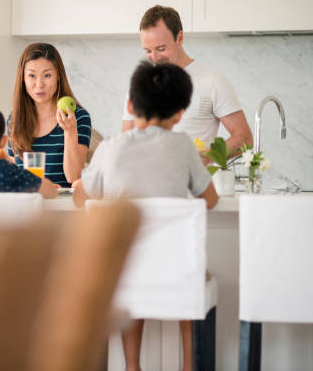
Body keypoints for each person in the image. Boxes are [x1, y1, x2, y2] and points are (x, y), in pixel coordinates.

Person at [73, 61, 218, 371]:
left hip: (124, 271)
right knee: (188, 271)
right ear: (180, 112)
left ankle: (132, 366)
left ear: (130, 103)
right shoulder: (183, 147)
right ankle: (189, 365)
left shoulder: (110, 148)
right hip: (177, 271)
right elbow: (210, 199)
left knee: (132, 272)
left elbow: (81, 198)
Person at [122, 5, 253, 163]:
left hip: (194, 185)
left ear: (180, 37)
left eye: (161, 48)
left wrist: (199, 160)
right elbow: (126, 142)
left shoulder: (212, 81)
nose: (155, 58)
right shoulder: (140, 84)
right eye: (148, 51)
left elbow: (244, 138)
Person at [6, 43, 91, 188]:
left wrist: (70, 132)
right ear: (23, 79)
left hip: (63, 207)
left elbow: (73, 177)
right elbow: (13, 171)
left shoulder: (78, 117)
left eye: (47, 75)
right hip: (25, 205)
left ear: (58, 76)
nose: (39, 84)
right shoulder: (14, 120)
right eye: (32, 75)